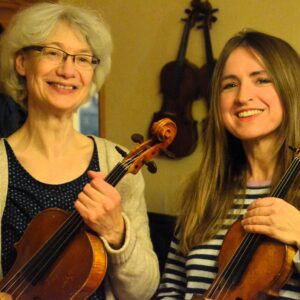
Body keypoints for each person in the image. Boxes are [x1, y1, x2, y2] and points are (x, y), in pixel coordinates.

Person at [0, 2, 159, 300]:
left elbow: (143, 290)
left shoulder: (117, 163)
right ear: (22, 63)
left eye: (83, 59)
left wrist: (116, 232)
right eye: (52, 53)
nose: (68, 70)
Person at [157, 30, 300, 299]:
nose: (243, 96)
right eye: (230, 84)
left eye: (262, 80)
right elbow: (171, 289)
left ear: (289, 88)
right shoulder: (203, 192)